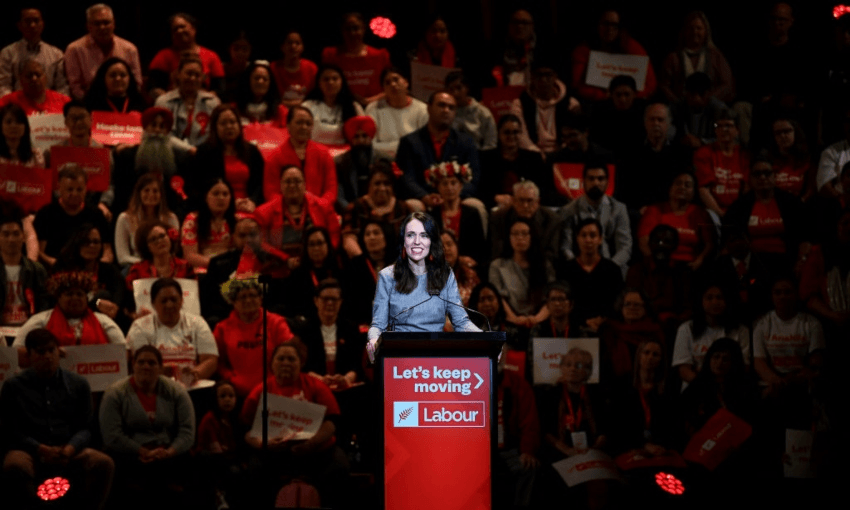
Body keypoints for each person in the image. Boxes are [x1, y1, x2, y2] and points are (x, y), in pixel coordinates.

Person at [1, 328, 114, 510]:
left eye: (51, 350)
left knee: (103, 463)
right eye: (41, 351)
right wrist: (39, 448)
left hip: (68, 447)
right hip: (31, 449)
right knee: (15, 464)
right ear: (29, 356)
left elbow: (87, 428)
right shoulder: (13, 387)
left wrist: (71, 447)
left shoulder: (78, 384)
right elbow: (11, 430)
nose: (48, 356)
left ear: (58, 352)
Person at [240, 339, 349, 508]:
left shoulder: (316, 386)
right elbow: (246, 429)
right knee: (254, 470)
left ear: (301, 363)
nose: (286, 363)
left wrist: (311, 444)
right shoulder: (260, 390)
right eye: (281, 359)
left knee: (339, 465)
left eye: (291, 359)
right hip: (274, 453)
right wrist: (263, 444)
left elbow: (332, 422)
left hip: (315, 452)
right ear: (272, 363)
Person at [368, 212, 481, 358]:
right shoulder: (387, 276)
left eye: (423, 235)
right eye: (410, 235)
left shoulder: (445, 275)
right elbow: (378, 325)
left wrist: (485, 338)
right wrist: (373, 340)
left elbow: (461, 322)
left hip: (437, 356)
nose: (416, 241)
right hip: (401, 357)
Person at [99, 345, 196, 510]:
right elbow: (112, 435)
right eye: (141, 362)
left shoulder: (177, 391)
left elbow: (187, 432)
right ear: (133, 365)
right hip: (130, 453)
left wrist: (169, 451)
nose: (146, 366)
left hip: (168, 452)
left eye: (152, 363)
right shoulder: (115, 393)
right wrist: (142, 451)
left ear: (160, 367)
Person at [13, 271, 126, 364]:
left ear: (86, 299)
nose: (75, 298)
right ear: (58, 298)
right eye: (69, 294)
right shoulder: (41, 320)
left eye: (79, 294)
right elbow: (15, 352)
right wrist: (45, 354)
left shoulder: (102, 320)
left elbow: (124, 351)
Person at [396, 90, 481, 207]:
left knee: (475, 205)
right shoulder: (410, 142)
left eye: (451, 108)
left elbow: (474, 178)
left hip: (457, 198)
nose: (446, 110)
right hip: (423, 198)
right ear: (429, 108)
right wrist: (424, 196)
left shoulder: (466, 142)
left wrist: (455, 196)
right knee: (414, 205)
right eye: (441, 105)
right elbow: (407, 178)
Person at [126, 278, 218, 384]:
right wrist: (174, 372)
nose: (169, 305)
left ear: (182, 300)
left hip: (191, 386)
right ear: (153, 304)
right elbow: (141, 366)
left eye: (174, 300)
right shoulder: (140, 326)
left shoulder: (197, 322)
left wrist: (194, 374)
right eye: (164, 301)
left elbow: (210, 359)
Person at [214, 276, 294, 398]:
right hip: (237, 394)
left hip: (274, 392)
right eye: (243, 297)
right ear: (233, 301)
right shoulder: (222, 328)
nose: (248, 300)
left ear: (260, 298)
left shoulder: (276, 323)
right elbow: (217, 362)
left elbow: (292, 354)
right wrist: (230, 378)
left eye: (253, 295)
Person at [724, 157, 805, 274]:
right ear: (750, 178)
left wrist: (801, 261)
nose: (762, 177)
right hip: (752, 264)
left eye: (767, 173)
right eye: (757, 174)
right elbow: (730, 240)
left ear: (774, 176)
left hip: (787, 261)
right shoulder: (739, 207)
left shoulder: (791, 203)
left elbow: (805, 237)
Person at [558, 160, 632, 276]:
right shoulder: (569, 210)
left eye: (600, 179)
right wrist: (580, 268)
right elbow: (566, 247)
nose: (596, 183)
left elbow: (625, 247)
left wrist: (609, 268)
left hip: (612, 268)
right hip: (580, 270)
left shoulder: (619, 209)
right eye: (591, 179)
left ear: (607, 182)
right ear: (583, 182)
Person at [45, 100, 115, 218]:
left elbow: (109, 185)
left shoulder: (103, 152)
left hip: (93, 206)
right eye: (73, 118)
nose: (78, 122)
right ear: (66, 122)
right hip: (61, 208)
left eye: (82, 117)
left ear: (91, 119)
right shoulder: (53, 153)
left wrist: (104, 204)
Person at [33, 164, 112, 268]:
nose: (74, 194)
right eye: (70, 189)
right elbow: (39, 252)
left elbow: (107, 251)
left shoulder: (96, 214)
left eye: (79, 190)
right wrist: (59, 265)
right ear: (59, 188)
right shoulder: (46, 213)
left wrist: (100, 266)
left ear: (86, 189)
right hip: (55, 269)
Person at [255, 165, 341, 260]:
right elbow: (261, 244)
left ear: (305, 184)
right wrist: (285, 259)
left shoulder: (324, 207)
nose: (292, 185)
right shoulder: (263, 212)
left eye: (297, 181)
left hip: (317, 264)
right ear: (280, 185)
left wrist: (322, 255)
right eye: (288, 182)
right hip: (280, 267)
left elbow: (334, 236)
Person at [555, 218, 624, 335]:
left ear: (600, 239)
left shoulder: (612, 269)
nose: (588, 240)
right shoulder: (565, 269)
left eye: (593, 235)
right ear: (577, 239)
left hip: (606, 326)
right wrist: (583, 321)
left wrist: (602, 319)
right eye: (583, 235)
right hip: (572, 326)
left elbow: (618, 302)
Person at [570, 9, 657, 102]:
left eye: (614, 25)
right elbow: (577, 85)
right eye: (605, 24)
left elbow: (651, 84)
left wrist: (631, 96)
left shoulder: (631, 46)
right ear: (597, 25)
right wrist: (604, 96)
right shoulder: (584, 49)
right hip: (595, 102)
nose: (609, 29)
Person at [672, 284, 750, 385]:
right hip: (696, 389)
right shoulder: (686, 329)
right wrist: (707, 387)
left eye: (719, 297)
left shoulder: (741, 331)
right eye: (709, 298)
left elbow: (744, 367)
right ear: (701, 301)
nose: (715, 302)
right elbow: (684, 370)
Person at [192, 104, 265, 213]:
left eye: (232, 122)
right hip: (217, 210)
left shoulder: (252, 151)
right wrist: (230, 204)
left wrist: (253, 202)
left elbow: (261, 183)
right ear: (215, 127)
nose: (229, 126)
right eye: (223, 123)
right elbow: (198, 188)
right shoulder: (204, 153)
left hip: (248, 208)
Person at [637, 170, 714, 270]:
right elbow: (644, 242)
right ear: (670, 187)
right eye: (678, 183)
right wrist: (656, 264)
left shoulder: (701, 213)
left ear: (694, 191)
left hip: (690, 268)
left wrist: (699, 261)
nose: (682, 187)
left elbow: (709, 244)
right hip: (659, 266)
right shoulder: (654, 210)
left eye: (688, 185)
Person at [262, 105, 338, 207]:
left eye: (308, 124)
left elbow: (331, 189)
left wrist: (319, 206)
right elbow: (271, 192)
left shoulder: (324, 153)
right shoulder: (275, 156)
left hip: (319, 209)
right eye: (299, 123)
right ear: (288, 125)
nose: (304, 127)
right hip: (285, 212)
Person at [64, 3, 142, 100]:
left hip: (124, 104)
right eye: (97, 23)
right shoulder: (74, 49)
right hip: (89, 104)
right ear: (88, 26)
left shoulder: (130, 49)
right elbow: (75, 87)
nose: (102, 27)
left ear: (114, 24)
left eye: (106, 22)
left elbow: (137, 84)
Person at [299, 278, 365, 389]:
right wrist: (320, 379)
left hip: (346, 388)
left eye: (334, 299)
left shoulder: (351, 328)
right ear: (316, 301)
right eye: (325, 299)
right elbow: (301, 366)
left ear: (340, 302)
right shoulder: (303, 329)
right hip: (313, 387)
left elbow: (357, 364)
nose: (330, 303)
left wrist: (347, 378)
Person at [489, 218, 554, 327]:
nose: (520, 238)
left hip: (541, 322)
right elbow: (498, 299)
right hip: (508, 322)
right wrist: (514, 319)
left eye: (524, 234)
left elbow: (552, 297)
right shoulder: (498, 265)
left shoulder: (545, 265)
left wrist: (536, 319)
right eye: (515, 234)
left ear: (532, 237)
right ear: (508, 237)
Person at [53, 224, 125, 322]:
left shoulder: (110, 270)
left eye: (96, 242)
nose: (92, 246)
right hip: (68, 319)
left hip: (105, 319)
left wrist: (114, 307)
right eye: (86, 241)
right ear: (77, 243)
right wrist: (96, 302)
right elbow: (61, 299)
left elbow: (119, 297)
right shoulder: (63, 268)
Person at [659, 11, 735, 104]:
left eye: (699, 28)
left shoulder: (715, 56)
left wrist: (707, 99)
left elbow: (727, 84)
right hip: (680, 109)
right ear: (684, 31)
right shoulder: (673, 58)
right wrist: (678, 103)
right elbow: (664, 86)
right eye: (691, 28)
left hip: (710, 108)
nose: (694, 32)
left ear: (706, 31)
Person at [341, 160, 413, 257]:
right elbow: (348, 239)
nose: (382, 188)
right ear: (369, 185)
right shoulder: (355, 208)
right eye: (377, 183)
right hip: (363, 263)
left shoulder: (403, 208)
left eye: (386, 184)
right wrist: (362, 262)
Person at [478, 114, 550, 209]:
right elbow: (480, 189)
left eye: (515, 132)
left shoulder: (533, 158)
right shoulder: (486, 158)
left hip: (527, 205)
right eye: (507, 132)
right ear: (499, 134)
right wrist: (495, 197)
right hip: (496, 205)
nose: (511, 136)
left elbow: (543, 188)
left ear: (521, 134)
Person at [510, 60, 580, 155]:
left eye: (548, 75)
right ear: (532, 77)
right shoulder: (519, 104)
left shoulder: (571, 104)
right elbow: (521, 136)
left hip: (563, 154)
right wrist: (537, 153)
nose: (543, 80)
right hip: (531, 154)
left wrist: (560, 152)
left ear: (555, 76)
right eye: (539, 75)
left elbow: (573, 136)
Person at [125, 221, 194, 317]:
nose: (159, 241)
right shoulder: (137, 270)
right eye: (153, 239)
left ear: (169, 237)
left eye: (162, 236)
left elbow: (193, 297)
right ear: (146, 246)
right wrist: (134, 315)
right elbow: (127, 304)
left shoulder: (185, 266)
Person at [147, 13, 225, 97]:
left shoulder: (211, 56)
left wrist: (202, 101)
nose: (179, 31)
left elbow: (220, 89)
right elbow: (153, 87)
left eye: (182, 27)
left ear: (193, 29)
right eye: (175, 29)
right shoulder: (163, 56)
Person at [321, 12, 392, 104]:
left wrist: (368, 101)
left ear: (363, 29)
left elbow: (390, 87)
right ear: (342, 31)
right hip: (340, 106)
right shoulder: (330, 55)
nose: (352, 33)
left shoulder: (380, 55)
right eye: (348, 29)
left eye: (356, 28)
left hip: (376, 106)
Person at [598, 289, 665, 384]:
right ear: (621, 307)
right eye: (627, 304)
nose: (632, 308)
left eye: (637, 304)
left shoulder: (655, 331)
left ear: (645, 308)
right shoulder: (609, 331)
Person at [427, 160, 487, 263]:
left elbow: (480, 247)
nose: (449, 187)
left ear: (461, 186)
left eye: (453, 183)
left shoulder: (472, 213)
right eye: (444, 184)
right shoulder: (431, 216)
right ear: (438, 188)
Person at [153, 55, 221, 146]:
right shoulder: (163, 102)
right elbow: (162, 134)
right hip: (170, 153)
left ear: (202, 78)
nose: (192, 78)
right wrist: (188, 150)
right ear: (178, 74)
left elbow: (214, 134)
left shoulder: (213, 102)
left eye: (197, 75)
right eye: (189, 74)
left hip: (204, 154)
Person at [694, 109, 749, 218]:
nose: (724, 129)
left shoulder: (745, 155)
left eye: (728, 126)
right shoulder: (703, 153)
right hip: (713, 211)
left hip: (740, 210)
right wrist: (720, 214)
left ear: (737, 130)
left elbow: (747, 188)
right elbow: (703, 190)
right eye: (719, 126)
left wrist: (737, 212)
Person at [0, 8, 69, 97]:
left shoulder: (56, 54)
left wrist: (60, 106)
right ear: (19, 25)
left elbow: (62, 86)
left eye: (36, 21)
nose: (32, 25)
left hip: (49, 106)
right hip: (17, 106)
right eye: (27, 21)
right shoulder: (7, 53)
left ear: (42, 24)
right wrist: (11, 106)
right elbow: (3, 85)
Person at [0, 205, 49, 328]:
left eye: (16, 234)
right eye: (5, 234)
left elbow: (44, 305)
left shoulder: (37, 270)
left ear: (23, 237)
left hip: (29, 328)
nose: (11, 239)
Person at [115, 174, 180, 267]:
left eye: (155, 191)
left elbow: (174, 252)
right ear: (139, 194)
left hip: (165, 266)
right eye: (146, 190)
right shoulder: (124, 218)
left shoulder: (171, 218)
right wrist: (148, 265)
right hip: (135, 267)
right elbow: (122, 257)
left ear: (161, 195)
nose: (151, 194)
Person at [365, 67, 429, 156]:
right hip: (382, 161)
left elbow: (424, 144)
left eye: (396, 79)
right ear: (383, 89)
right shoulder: (372, 108)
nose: (393, 84)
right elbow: (370, 144)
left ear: (406, 82)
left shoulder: (423, 109)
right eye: (387, 83)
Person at [342, 219, 394, 325]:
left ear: (386, 236)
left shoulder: (398, 263)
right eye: (367, 234)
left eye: (376, 233)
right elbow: (350, 302)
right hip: (365, 323)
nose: (372, 237)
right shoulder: (354, 266)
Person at [284, 226, 343, 319]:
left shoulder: (340, 272)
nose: (316, 248)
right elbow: (292, 307)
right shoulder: (297, 275)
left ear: (327, 244)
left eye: (320, 243)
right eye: (311, 244)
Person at [180, 178, 237, 273]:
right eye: (216, 194)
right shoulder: (192, 220)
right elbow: (189, 256)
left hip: (231, 268)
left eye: (225, 194)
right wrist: (218, 265)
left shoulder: (237, 220)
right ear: (206, 197)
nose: (221, 198)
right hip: (203, 269)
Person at [302, 64, 365, 147]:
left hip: (346, 155)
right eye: (326, 79)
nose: (330, 82)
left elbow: (364, 137)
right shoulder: (307, 107)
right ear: (319, 83)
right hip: (315, 153)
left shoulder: (355, 107)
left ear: (342, 82)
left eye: (335, 79)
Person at [336, 115, 391, 207]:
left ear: (370, 137)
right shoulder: (340, 162)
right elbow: (339, 196)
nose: (361, 140)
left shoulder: (383, 159)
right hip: (351, 209)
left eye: (364, 136)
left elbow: (390, 191)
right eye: (356, 137)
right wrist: (352, 211)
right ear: (351, 139)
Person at [445, 70, 497, 151]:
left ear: (467, 88)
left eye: (459, 88)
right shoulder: (445, 112)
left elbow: (491, 144)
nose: (455, 93)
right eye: (451, 89)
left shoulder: (483, 113)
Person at [0, 58, 70, 115]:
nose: (34, 79)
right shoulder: (7, 102)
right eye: (29, 76)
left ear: (45, 78)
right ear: (21, 80)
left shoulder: (64, 101)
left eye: (38, 75)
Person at [271, 30, 317, 107]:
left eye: (297, 43)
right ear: (282, 47)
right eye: (289, 43)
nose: (293, 46)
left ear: (302, 47)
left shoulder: (311, 68)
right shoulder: (273, 68)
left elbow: (315, 97)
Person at [233, 60, 286, 126]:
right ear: (247, 81)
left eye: (265, 79)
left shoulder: (281, 111)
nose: (260, 82)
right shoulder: (234, 110)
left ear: (270, 84)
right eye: (256, 78)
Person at [442, 231, 480, 307]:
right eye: (441, 246)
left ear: (457, 247)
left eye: (449, 244)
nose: (446, 249)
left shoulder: (470, 274)